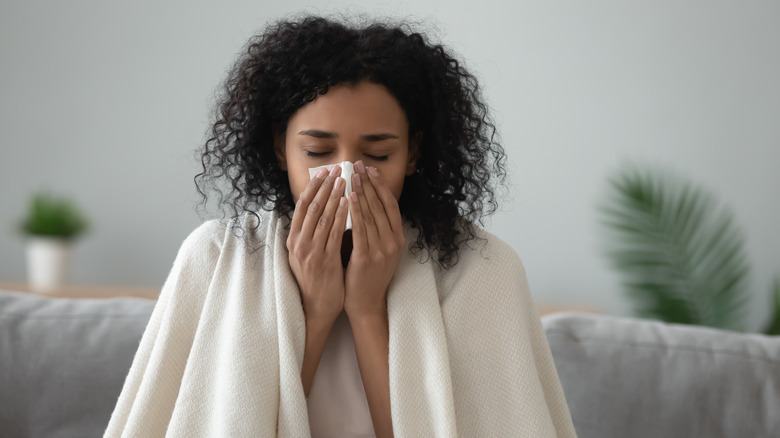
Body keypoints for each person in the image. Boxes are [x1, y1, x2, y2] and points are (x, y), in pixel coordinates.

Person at [105, 15, 575, 438]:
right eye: (317, 152)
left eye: (376, 155)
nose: (346, 176)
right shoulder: (216, 257)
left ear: (412, 153)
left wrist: (367, 310)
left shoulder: (482, 268)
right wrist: (315, 310)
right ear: (278, 147)